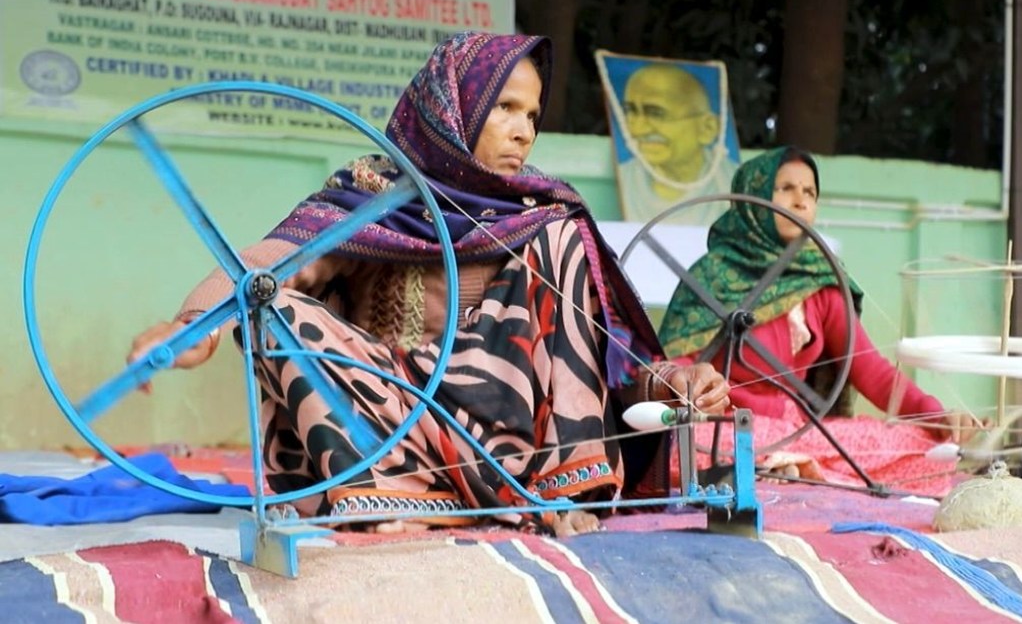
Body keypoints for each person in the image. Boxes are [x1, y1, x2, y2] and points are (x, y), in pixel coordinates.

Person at [127, 32, 730, 536]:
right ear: (452, 105)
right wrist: (194, 328)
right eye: (504, 108)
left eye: (532, 116)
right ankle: (396, 496)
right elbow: (271, 261)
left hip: (509, 451)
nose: (523, 131)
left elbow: (608, 352)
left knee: (562, 239)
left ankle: (563, 487)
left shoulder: (545, 215)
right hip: (387, 426)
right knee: (271, 306)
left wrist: (673, 382)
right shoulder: (370, 195)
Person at [657, 146, 975, 496]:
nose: (800, 201)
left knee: (923, 447)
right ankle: (787, 466)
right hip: (724, 427)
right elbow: (676, 368)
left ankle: (785, 466)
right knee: (674, 444)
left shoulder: (821, 282)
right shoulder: (711, 277)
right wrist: (700, 389)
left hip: (798, 430)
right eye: (786, 189)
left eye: (810, 192)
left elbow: (873, 373)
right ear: (754, 197)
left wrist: (936, 416)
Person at [615, 63, 739, 225]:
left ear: (707, 128)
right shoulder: (625, 179)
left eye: (656, 113)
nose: (637, 129)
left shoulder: (734, 184)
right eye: (631, 112)